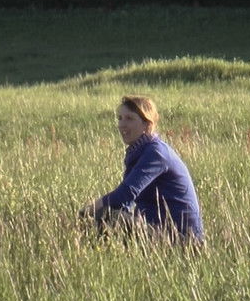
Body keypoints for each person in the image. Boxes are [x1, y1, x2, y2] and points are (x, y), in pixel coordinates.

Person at [80, 95, 204, 244]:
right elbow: (125, 203)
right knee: (106, 216)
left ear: (147, 124)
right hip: (157, 228)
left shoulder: (156, 152)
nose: (122, 125)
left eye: (129, 119)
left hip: (181, 238)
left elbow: (126, 193)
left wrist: (89, 210)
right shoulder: (138, 151)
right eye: (120, 118)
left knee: (106, 215)